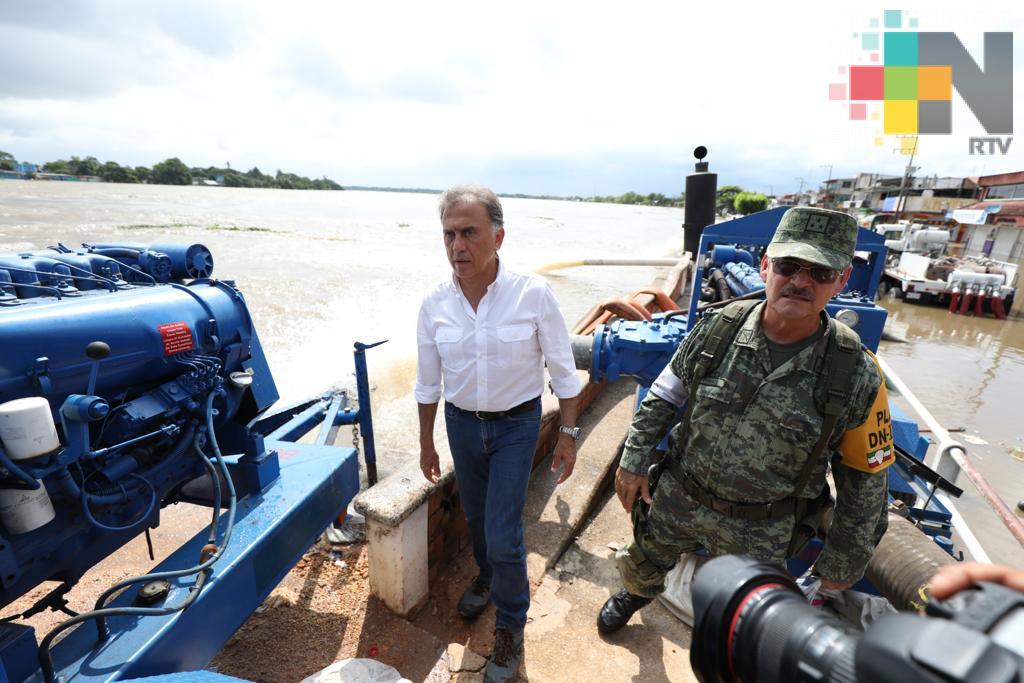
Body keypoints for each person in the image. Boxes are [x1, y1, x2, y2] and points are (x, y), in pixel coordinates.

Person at [598, 206, 894, 633]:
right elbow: (664, 396)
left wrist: (844, 557)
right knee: (648, 554)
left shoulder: (855, 371)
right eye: (789, 266)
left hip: (764, 526)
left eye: (820, 273)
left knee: (742, 613)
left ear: (843, 280)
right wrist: (633, 459)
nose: (800, 281)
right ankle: (636, 593)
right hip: (681, 495)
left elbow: (865, 480)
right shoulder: (718, 329)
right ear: (765, 265)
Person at [415, 184, 582, 681]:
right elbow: (428, 383)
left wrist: (568, 434)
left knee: (505, 534)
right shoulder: (433, 305)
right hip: (462, 425)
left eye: (469, 233)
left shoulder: (532, 294)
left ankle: (511, 625)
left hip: (516, 424)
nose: (457, 246)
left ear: (498, 237)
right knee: (478, 516)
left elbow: (565, 373)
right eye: (449, 235)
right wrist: (426, 442)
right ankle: (488, 579)